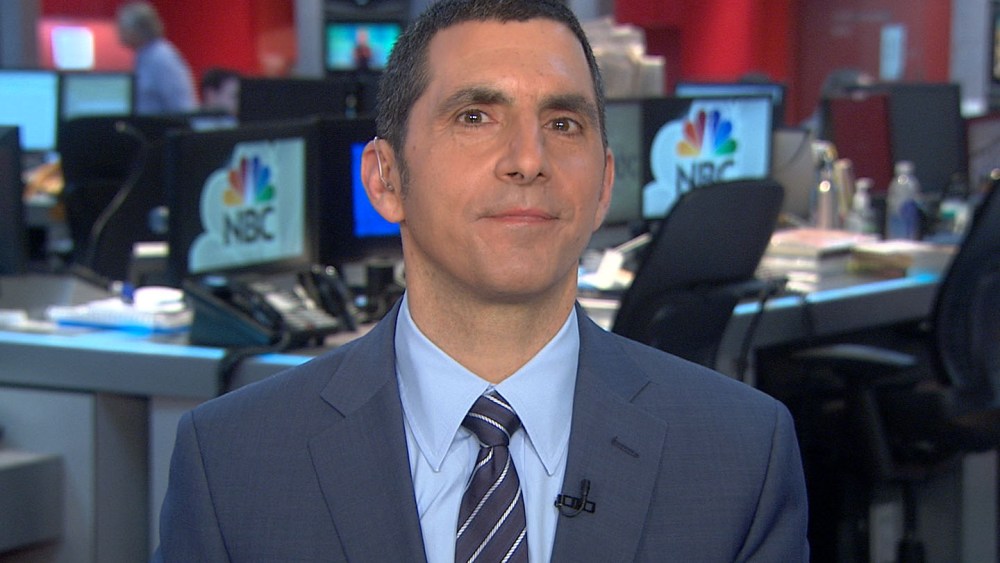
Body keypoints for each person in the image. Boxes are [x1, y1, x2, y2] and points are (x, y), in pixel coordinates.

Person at [154, 0, 810, 561]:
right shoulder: (232, 462)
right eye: (475, 117)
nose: (528, 159)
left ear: (605, 185)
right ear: (385, 179)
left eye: (563, 124)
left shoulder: (741, 457)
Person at [116, 1, 198, 115]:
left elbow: (181, 104)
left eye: (122, 27)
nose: (118, 32)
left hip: (164, 125)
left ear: (137, 29)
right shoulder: (143, 56)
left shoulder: (162, 58)